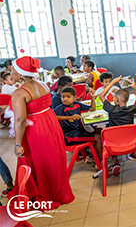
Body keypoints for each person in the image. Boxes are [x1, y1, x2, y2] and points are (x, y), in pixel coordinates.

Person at [10, 56, 74, 207]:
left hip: (35, 129)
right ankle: (56, 190)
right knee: (53, 159)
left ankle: (45, 194)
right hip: (50, 124)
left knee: (39, 161)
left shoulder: (20, 93)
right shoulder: (43, 85)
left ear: (20, 73)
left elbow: (20, 120)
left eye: (13, 69)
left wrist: (18, 144)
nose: (10, 71)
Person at [99, 76, 136, 174]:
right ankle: (133, 152)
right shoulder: (131, 109)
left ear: (116, 100)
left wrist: (113, 83)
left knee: (109, 136)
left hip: (114, 142)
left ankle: (115, 162)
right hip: (130, 140)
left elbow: (101, 96)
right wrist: (135, 89)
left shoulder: (111, 109)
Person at [54, 87, 100, 159]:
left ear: (74, 97)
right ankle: (100, 162)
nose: (65, 99)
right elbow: (54, 117)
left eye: (68, 97)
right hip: (69, 136)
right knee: (97, 137)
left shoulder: (77, 105)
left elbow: (92, 109)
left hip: (78, 131)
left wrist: (92, 98)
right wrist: (70, 117)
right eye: (63, 97)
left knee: (100, 131)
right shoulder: (61, 108)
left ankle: (92, 155)